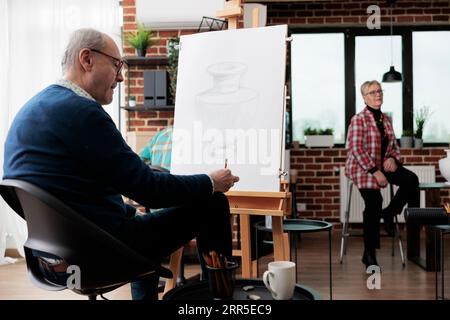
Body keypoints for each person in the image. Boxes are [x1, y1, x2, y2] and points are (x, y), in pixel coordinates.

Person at [3, 28, 239, 300]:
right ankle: (220, 301)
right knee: (212, 203)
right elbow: (149, 190)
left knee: (137, 217)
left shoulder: (33, 109)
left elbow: (77, 192)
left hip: (51, 258)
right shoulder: (82, 112)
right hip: (98, 253)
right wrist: (211, 182)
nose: (122, 76)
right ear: (87, 59)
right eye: (116, 65)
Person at [345, 80, 419, 269]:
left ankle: (390, 213)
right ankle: (369, 253)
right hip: (363, 166)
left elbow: (394, 145)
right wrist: (375, 171)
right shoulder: (358, 119)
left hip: (384, 164)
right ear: (364, 97)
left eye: (379, 91)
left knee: (412, 180)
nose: (378, 94)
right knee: (374, 201)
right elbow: (356, 149)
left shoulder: (386, 119)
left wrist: (393, 159)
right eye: (372, 92)